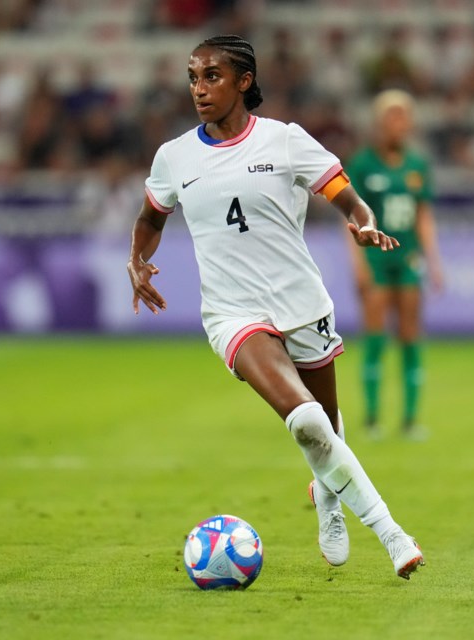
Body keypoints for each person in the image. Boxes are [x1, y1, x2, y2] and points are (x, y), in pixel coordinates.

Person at [126, 35, 425, 579]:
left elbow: (346, 195)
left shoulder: (285, 142)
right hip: (233, 314)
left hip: (302, 304)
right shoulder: (174, 157)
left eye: (212, 76)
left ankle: (329, 502)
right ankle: (393, 534)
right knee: (308, 421)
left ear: (243, 81)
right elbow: (151, 218)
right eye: (193, 77)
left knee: (328, 429)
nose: (199, 88)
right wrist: (137, 260)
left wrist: (363, 221)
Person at [346, 90, 444, 440]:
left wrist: (434, 262)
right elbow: (352, 219)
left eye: (403, 116)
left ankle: (410, 419)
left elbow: (423, 217)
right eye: (392, 116)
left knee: (410, 333)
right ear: (379, 122)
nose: (398, 124)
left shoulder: (417, 166)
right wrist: (357, 262)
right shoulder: (362, 165)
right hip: (375, 257)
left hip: (408, 258)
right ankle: (373, 418)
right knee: (374, 334)